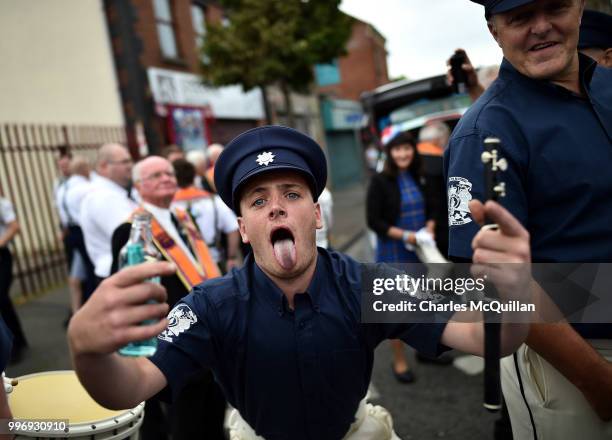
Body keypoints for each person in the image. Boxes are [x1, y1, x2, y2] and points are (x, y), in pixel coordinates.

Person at [68, 125, 532, 440]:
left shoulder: (368, 286)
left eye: (292, 194)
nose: (276, 208)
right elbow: (127, 388)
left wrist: (514, 293)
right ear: (244, 229)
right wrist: (87, 350)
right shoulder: (211, 305)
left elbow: (486, 337)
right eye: (257, 200)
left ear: (315, 216)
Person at [445, 1, 612, 438]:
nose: (541, 28)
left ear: (577, 7)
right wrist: (596, 381)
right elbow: (496, 281)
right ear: (495, 30)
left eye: (553, 6)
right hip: (574, 364)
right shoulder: (484, 133)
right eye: (519, 17)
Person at [110, 156, 225, 440]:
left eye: (169, 173)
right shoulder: (129, 231)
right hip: (173, 335)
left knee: (213, 408)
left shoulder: (183, 217)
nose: (165, 178)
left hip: (207, 330)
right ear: (139, 186)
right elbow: (131, 292)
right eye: (155, 175)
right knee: (185, 419)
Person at [366, 132, 441, 383]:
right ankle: (399, 362)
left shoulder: (420, 176)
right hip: (394, 251)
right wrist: (406, 236)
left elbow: (433, 205)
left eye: (407, 148)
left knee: (423, 302)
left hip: (420, 251)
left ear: (413, 150)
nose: (403, 154)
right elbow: (374, 221)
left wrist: (430, 226)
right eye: (397, 150)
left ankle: (425, 350)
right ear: (389, 153)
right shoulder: (379, 181)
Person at [80, 143, 137, 285]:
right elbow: (130, 237)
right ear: (104, 166)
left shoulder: (112, 193)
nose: (130, 166)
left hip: (123, 271)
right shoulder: (103, 197)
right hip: (118, 274)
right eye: (124, 162)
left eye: (130, 160)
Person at [172, 158, 241, 272]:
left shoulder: (170, 205)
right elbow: (233, 229)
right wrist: (231, 257)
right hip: (215, 260)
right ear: (194, 176)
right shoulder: (214, 201)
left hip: (186, 266)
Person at [63, 156, 97, 306]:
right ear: (84, 169)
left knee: (77, 272)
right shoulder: (87, 188)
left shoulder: (64, 187)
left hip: (71, 230)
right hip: (84, 230)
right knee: (92, 269)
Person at [417, 122, 452, 258]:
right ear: (438, 140)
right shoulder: (443, 161)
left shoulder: (410, 160)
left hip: (418, 226)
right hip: (443, 224)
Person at [0, 193, 26, 364]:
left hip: (1, 256)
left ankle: (14, 346)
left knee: (1, 298)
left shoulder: (2, 203)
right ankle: (18, 340)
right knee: (3, 301)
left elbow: (15, 227)